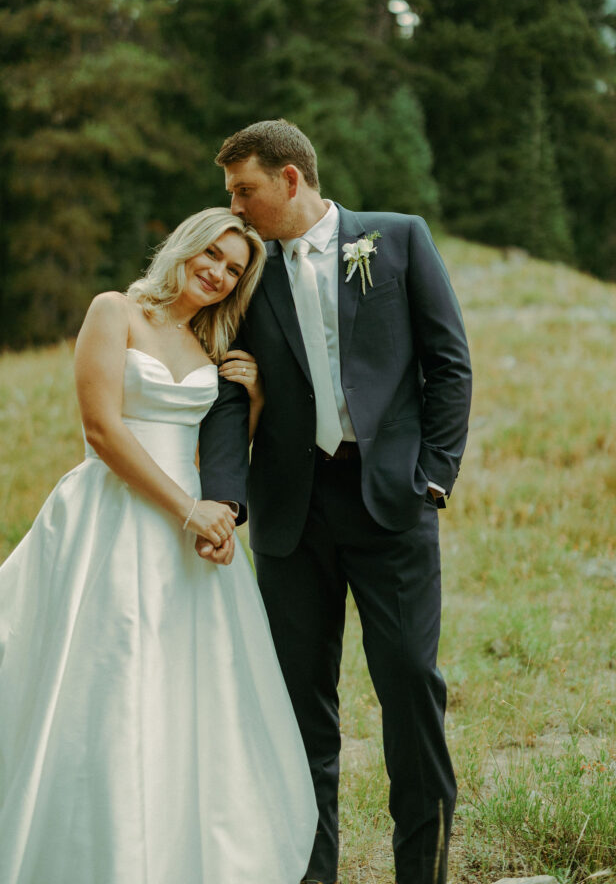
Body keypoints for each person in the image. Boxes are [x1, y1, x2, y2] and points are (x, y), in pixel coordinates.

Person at [0, 208, 318, 884]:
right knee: (107, 674)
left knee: (190, 683)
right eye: (212, 256)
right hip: (114, 515)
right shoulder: (116, 312)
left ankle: (185, 850)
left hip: (194, 526)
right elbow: (102, 430)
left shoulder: (209, 347)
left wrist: (253, 402)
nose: (218, 273)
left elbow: (217, 450)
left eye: (233, 271)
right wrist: (185, 509)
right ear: (185, 246)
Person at [198, 120, 472, 884]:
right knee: (297, 711)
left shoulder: (397, 240)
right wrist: (223, 498)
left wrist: (434, 474)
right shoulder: (246, 273)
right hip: (290, 514)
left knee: (410, 688)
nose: (235, 208)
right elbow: (229, 394)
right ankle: (310, 875)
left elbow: (449, 365)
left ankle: (422, 873)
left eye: (244, 190)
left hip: (391, 504)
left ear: (290, 180)